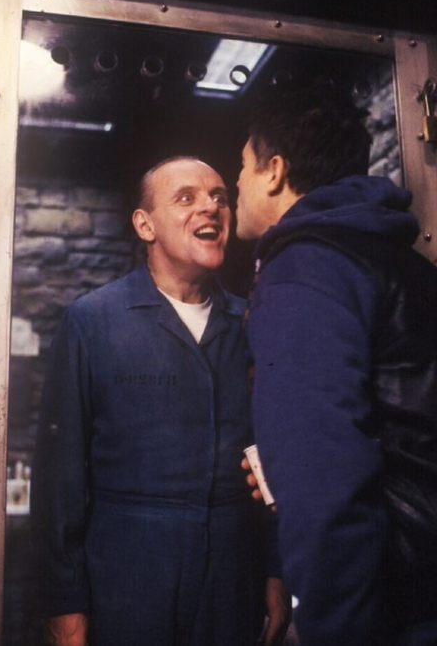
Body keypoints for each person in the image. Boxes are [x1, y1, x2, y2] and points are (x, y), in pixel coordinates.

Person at [31, 156, 288, 646]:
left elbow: (272, 462)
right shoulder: (93, 321)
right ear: (145, 225)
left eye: (219, 197)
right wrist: (64, 603)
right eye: (187, 198)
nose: (210, 208)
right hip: (125, 583)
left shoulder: (253, 323)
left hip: (232, 584)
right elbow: (57, 481)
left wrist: (276, 572)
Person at [236, 85, 437, 646]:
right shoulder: (403, 264)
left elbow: (326, 480)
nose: (237, 184)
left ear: (275, 172)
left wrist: (333, 628)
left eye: (242, 166)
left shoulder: (304, 270)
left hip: (390, 611)